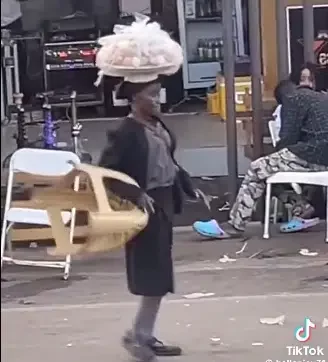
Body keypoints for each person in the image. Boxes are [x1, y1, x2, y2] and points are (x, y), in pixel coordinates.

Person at [99, 78, 197, 361]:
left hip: (165, 202)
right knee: (154, 275)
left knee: (161, 274)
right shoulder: (125, 132)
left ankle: (144, 333)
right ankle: (137, 336)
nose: (157, 99)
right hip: (146, 208)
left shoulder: (157, 124)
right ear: (135, 99)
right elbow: (106, 172)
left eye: (158, 94)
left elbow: (170, 161)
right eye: (151, 95)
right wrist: (135, 193)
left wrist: (189, 188)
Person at [193, 78, 328, 239]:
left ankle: (234, 225)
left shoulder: (292, 99)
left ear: (281, 98)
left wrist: (274, 155)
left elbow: (287, 138)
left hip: (314, 152)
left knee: (258, 168)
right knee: (269, 171)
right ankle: (302, 208)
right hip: (322, 157)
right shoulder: (320, 98)